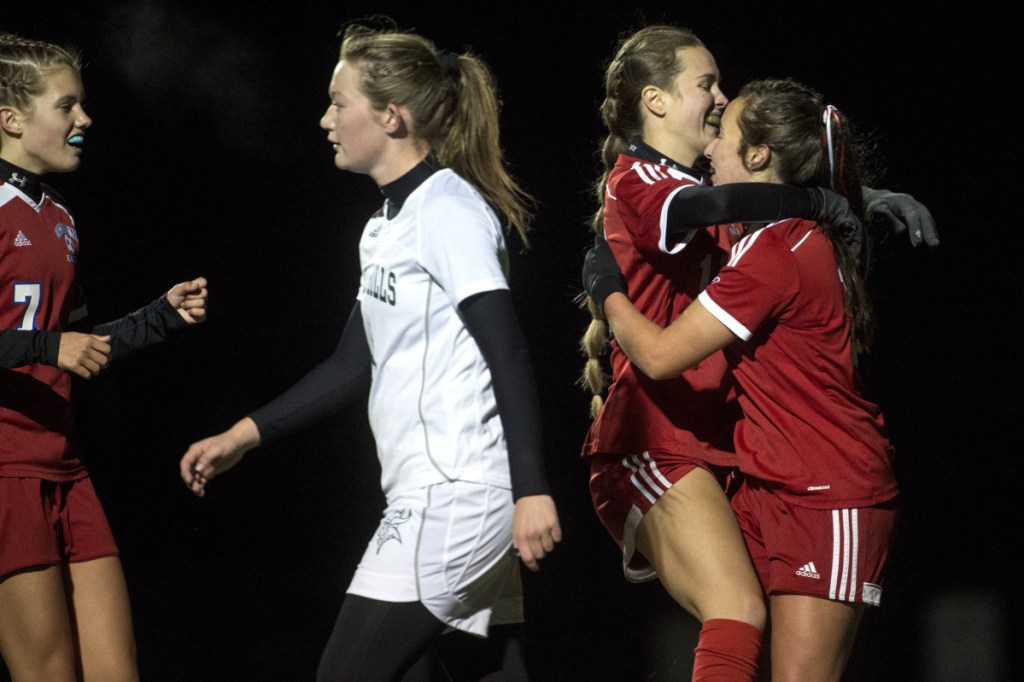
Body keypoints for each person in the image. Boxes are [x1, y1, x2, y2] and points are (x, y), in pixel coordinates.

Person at [178, 20, 561, 681]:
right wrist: (242, 436)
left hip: (456, 495)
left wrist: (533, 490)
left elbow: (508, 350)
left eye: (339, 102)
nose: (326, 119)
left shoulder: (448, 210)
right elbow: (352, 365)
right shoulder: (384, 225)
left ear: (390, 116)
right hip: (439, 493)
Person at [577, 24, 935, 681]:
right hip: (655, 434)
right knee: (738, 611)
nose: (719, 98)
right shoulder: (644, 179)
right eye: (705, 84)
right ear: (654, 101)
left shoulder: (761, 233)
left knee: (757, 636)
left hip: (766, 461)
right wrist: (825, 199)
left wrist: (851, 197)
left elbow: (757, 189)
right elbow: (719, 204)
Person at [0, 33, 208, 681]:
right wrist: (47, 345)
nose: (84, 120)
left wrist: (158, 318)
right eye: (67, 106)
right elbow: (49, 344)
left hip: (66, 466)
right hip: (6, 474)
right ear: (9, 118)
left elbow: (81, 344)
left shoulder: (59, 214)